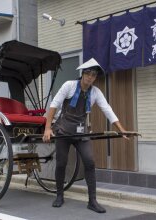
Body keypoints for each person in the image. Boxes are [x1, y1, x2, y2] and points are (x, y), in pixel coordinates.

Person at [43, 58, 131, 213]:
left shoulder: (95, 92)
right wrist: (48, 128)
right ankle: (59, 195)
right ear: (83, 73)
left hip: (81, 132)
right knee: (61, 163)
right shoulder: (69, 86)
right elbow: (54, 105)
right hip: (63, 130)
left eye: (94, 75)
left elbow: (107, 110)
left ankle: (92, 200)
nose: (90, 77)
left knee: (90, 162)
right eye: (88, 74)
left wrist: (121, 129)